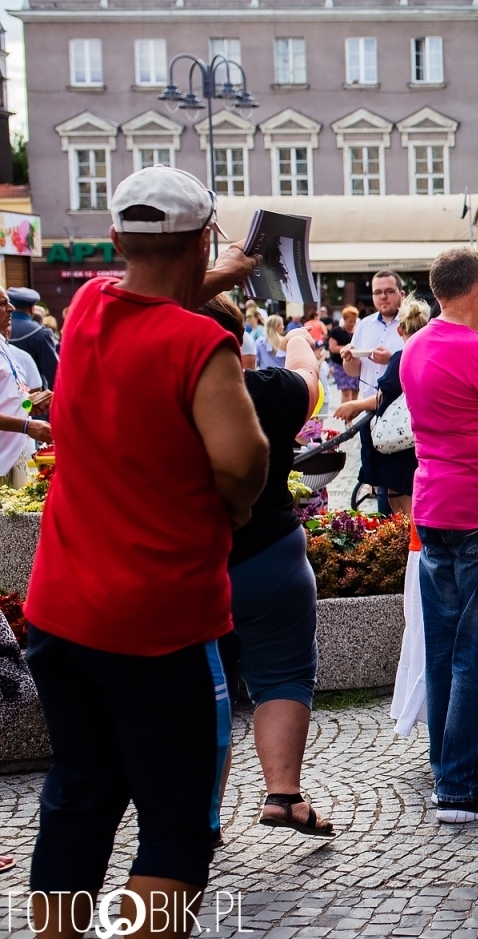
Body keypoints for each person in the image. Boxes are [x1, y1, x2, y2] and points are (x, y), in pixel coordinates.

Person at [23, 165, 268, 938]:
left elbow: (144, 302)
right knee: (173, 819)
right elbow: (242, 461)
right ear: (203, 240)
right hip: (158, 621)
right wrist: (233, 505)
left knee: (79, 793)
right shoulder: (201, 344)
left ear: (120, 239)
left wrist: (198, 273)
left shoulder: (88, 304)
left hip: (61, 610)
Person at [199, 297, 333, 839]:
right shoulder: (267, 391)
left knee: (205, 689)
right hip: (271, 561)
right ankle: (283, 795)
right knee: (284, 675)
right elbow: (312, 378)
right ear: (235, 345)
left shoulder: (158, 402)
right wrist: (299, 334)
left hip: (194, 569)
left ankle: (202, 817)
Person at [402, 247, 478, 823]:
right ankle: (462, 785)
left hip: (435, 506)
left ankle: (452, 762)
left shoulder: (416, 346)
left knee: (446, 646)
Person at [335, 296, 428, 516]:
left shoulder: (402, 357)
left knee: (401, 510)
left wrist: (355, 404)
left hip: (397, 446)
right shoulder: (427, 353)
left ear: (400, 330)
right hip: (417, 439)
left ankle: (410, 550)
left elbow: (383, 397)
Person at [340, 271, 406, 510]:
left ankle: (397, 528)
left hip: (399, 414)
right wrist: (348, 358)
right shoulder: (364, 325)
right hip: (369, 412)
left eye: (389, 291)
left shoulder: (411, 324)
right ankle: (384, 530)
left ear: (401, 294)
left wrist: (391, 359)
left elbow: (414, 365)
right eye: (378, 292)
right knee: (374, 474)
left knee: (398, 479)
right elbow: (353, 371)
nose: (383, 297)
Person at [0, 294, 50, 487]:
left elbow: (12, 400)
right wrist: (27, 427)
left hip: (14, 455)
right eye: (3, 303)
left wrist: (31, 403)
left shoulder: (4, 345)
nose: (11, 308)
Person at [6, 287, 57, 390]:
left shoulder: (4, 329)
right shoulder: (40, 334)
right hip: (33, 399)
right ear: (32, 309)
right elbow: (54, 374)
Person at [327, 306, 361, 403]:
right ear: (344, 319)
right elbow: (332, 348)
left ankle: (354, 415)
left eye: (354, 321)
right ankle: (347, 416)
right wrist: (347, 349)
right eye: (350, 321)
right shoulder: (336, 331)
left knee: (356, 391)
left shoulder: (357, 332)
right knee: (346, 391)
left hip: (355, 365)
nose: (352, 324)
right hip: (340, 365)